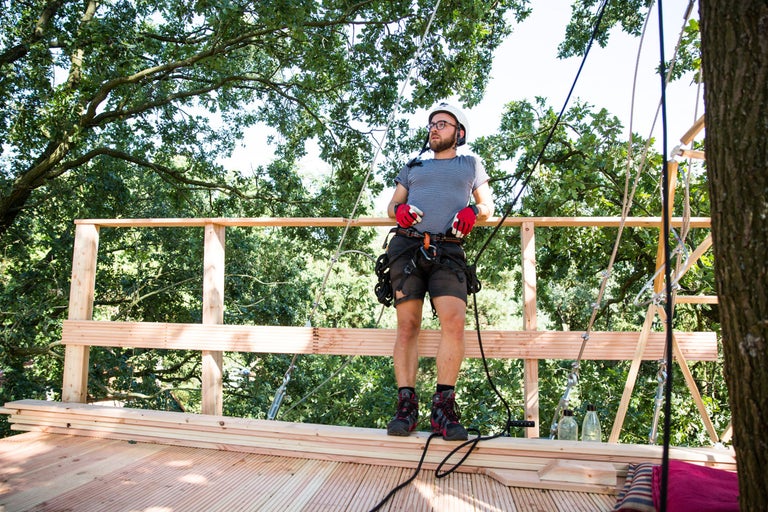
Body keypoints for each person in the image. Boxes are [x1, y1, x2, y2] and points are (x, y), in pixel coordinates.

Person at [384, 102, 494, 441]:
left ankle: (443, 408)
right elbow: (391, 206)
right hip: (407, 247)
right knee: (408, 325)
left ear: (459, 132)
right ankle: (406, 407)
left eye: (443, 124)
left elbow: (488, 206)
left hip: (448, 248)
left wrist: (474, 211)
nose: (435, 128)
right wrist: (399, 210)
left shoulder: (470, 164)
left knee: (455, 322)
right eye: (432, 124)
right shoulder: (414, 165)